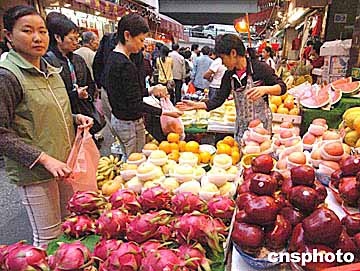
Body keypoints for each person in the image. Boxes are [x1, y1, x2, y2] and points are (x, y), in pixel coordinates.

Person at [0, 5, 93, 246]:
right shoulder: (7, 76)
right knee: (48, 238)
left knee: (69, 226)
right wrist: (43, 159)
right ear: (8, 35)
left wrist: (74, 118)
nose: (37, 37)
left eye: (42, 31)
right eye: (27, 31)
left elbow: (44, 110)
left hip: (63, 165)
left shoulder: (50, 70)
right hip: (35, 172)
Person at [177, 34, 286, 143]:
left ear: (233, 53)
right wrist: (197, 105)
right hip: (242, 126)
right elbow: (218, 100)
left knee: (260, 157)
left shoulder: (259, 68)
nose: (223, 63)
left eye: (223, 58)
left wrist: (265, 89)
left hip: (261, 128)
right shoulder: (228, 75)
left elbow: (282, 87)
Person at [103, 14, 181, 157]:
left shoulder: (113, 58)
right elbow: (134, 103)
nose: (142, 44)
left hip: (120, 119)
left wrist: (151, 90)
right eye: (141, 40)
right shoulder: (124, 64)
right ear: (127, 35)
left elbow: (127, 94)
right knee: (133, 162)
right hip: (128, 123)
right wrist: (164, 112)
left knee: (133, 158)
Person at [44, 13, 104, 138]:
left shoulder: (78, 59)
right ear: (58, 38)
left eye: (77, 39)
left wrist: (88, 94)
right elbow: (49, 96)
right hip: (64, 118)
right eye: (72, 39)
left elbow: (90, 82)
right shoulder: (47, 62)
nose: (76, 42)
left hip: (84, 112)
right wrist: (75, 94)